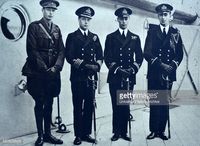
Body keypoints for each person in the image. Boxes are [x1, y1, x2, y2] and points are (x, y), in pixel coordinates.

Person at [21, 0, 64, 146]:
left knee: (50, 101)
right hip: (37, 72)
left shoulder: (57, 29)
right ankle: (40, 136)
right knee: (40, 102)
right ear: (42, 10)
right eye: (48, 9)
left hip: (53, 72)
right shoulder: (34, 27)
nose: (51, 12)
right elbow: (31, 50)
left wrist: (56, 67)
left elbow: (61, 51)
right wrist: (44, 68)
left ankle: (48, 134)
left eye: (53, 10)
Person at [144, 3, 184, 140]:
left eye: (165, 15)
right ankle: (154, 130)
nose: (163, 17)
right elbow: (147, 53)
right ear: (158, 16)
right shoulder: (152, 31)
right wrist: (161, 65)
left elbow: (179, 54)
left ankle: (161, 131)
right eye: (160, 15)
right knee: (155, 101)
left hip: (169, 73)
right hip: (155, 72)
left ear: (170, 16)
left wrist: (172, 65)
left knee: (164, 102)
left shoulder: (175, 33)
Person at [65, 6, 103, 145]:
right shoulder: (72, 36)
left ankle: (86, 133)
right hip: (78, 78)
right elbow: (69, 56)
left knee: (89, 106)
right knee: (77, 106)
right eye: (83, 19)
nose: (86, 22)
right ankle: (78, 135)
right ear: (79, 19)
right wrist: (84, 65)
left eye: (88, 19)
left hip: (91, 77)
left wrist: (97, 66)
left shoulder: (95, 37)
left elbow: (100, 55)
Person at [104, 7, 143, 142]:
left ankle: (124, 132)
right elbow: (107, 57)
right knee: (116, 105)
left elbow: (139, 57)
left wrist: (132, 70)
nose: (124, 21)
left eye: (126, 18)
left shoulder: (135, 38)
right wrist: (118, 69)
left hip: (129, 77)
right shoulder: (110, 37)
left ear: (129, 19)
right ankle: (116, 132)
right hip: (115, 76)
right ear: (118, 19)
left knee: (125, 104)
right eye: (121, 18)